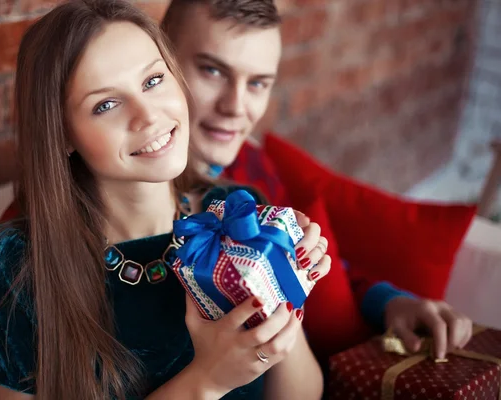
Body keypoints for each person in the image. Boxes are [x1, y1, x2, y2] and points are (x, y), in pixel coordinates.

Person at [0, 1, 330, 399]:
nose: (148, 115)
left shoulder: (235, 212)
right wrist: (208, 381)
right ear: (62, 135)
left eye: (153, 81)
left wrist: (285, 293)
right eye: (106, 104)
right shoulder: (16, 266)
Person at [160, 0, 474, 361]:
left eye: (258, 83)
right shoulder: (133, 194)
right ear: (162, 62)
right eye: (213, 71)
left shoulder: (253, 166)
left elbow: (310, 265)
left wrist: (391, 302)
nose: (236, 106)